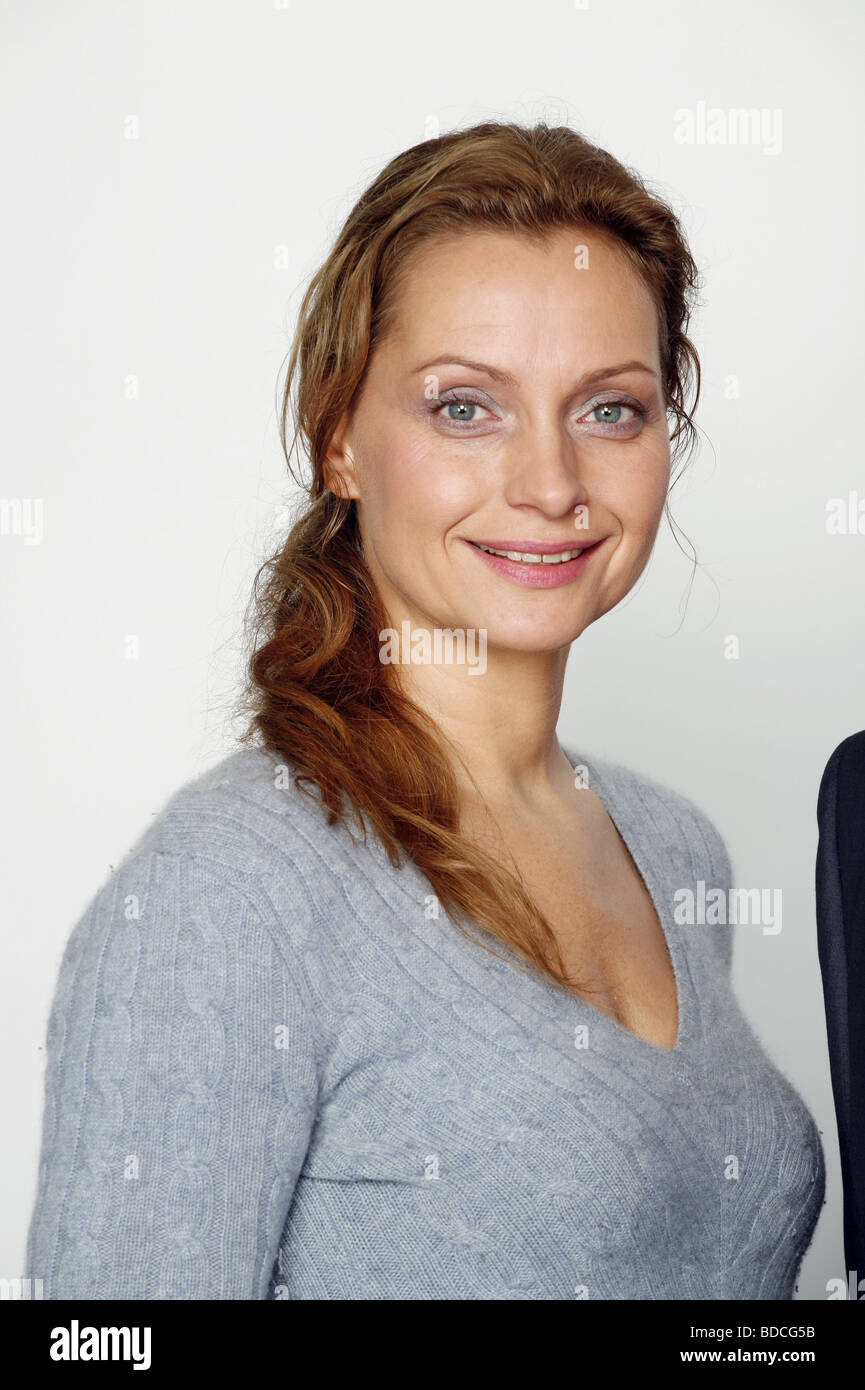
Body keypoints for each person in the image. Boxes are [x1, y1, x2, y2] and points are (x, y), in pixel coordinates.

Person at [26, 120, 824, 1299]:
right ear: (339, 435)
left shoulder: (669, 843)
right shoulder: (228, 892)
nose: (550, 484)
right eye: (465, 408)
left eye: (610, 409)